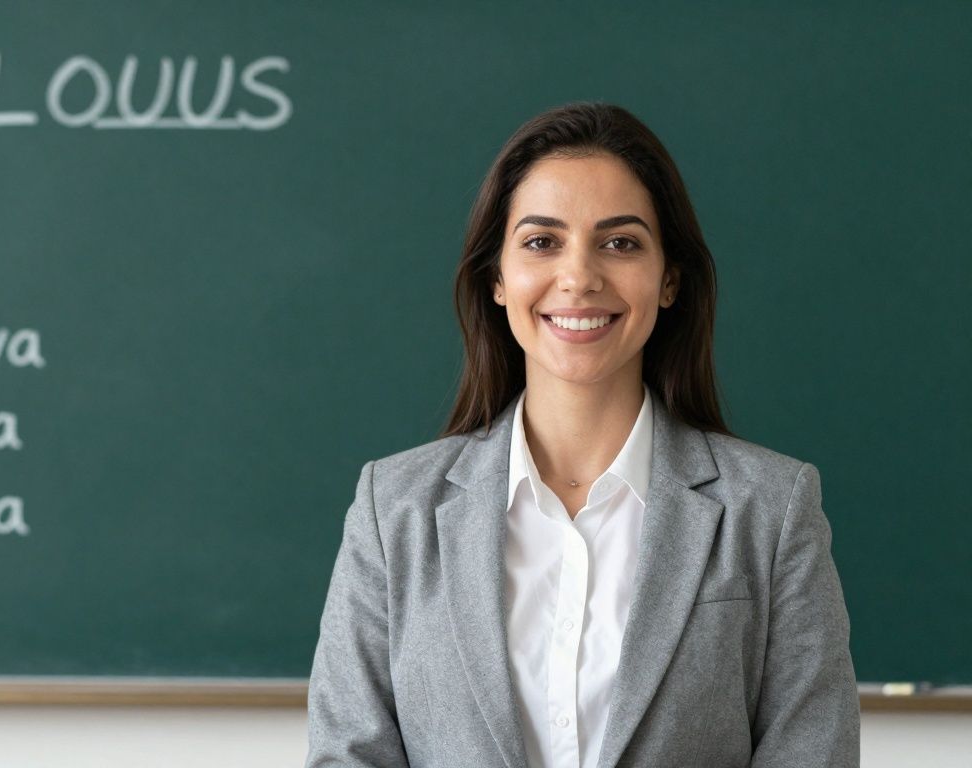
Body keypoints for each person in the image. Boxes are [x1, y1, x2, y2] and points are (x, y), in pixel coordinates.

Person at [305, 102, 859, 768]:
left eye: (620, 242)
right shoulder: (392, 509)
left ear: (670, 279)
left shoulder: (772, 508)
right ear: (498, 280)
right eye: (542, 242)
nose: (580, 277)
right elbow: (347, 754)